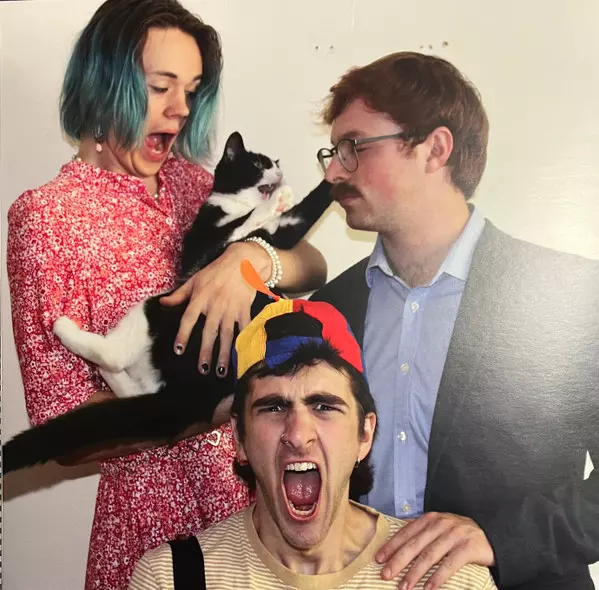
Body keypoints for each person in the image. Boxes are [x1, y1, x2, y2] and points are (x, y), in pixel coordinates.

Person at [6, 1, 326, 589]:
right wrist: (215, 408)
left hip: (259, 509)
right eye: (160, 87)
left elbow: (313, 265)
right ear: (105, 84)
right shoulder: (45, 217)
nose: (180, 109)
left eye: (192, 90)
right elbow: (64, 431)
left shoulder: (195, 183)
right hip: (154, 524)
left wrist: (253, 260)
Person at [310, 51, 599, 590]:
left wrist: (500, 539)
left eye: (355, 147)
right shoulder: (330, 309)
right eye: (332, 152)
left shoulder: (570, 296)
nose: (333, 171)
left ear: (435, 149)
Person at [128, 298, 497, 590]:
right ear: (239, 437)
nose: (298, 434)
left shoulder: (450, 579)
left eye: (323, 406)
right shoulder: (171, 579)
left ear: (364, 434)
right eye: (273, 407)